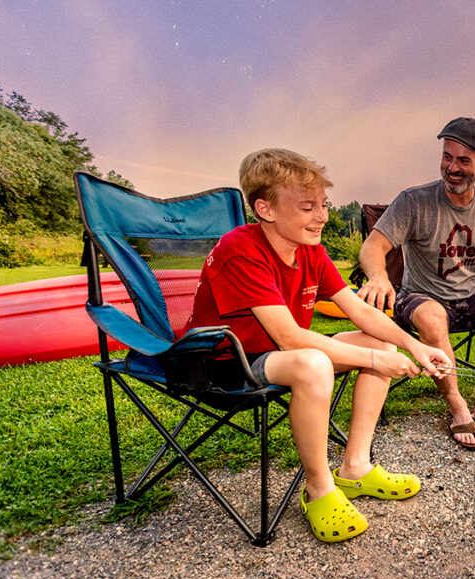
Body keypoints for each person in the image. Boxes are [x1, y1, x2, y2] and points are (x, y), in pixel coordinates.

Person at [184, 148, 452, 543]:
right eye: (308, 207)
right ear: (266, 209)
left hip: (278, 354)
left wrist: (414, 346)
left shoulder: (311, 252)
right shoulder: (240, 248)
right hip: (224, 361)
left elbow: (360, 313)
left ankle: (356, 469)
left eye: (324, 205)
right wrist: (375, 359)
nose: (323, 217)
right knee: (314, 363)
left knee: (380, 340)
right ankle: (318, 489)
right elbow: (291, 338)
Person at [357, 117, 475, 449]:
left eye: (463, 160)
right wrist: (380, 277)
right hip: (417, 297)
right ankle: (457, 406)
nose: (452, 167)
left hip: (468, 298)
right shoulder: (414, 201)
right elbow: (373, 247)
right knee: (433, 315)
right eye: (447, 156)